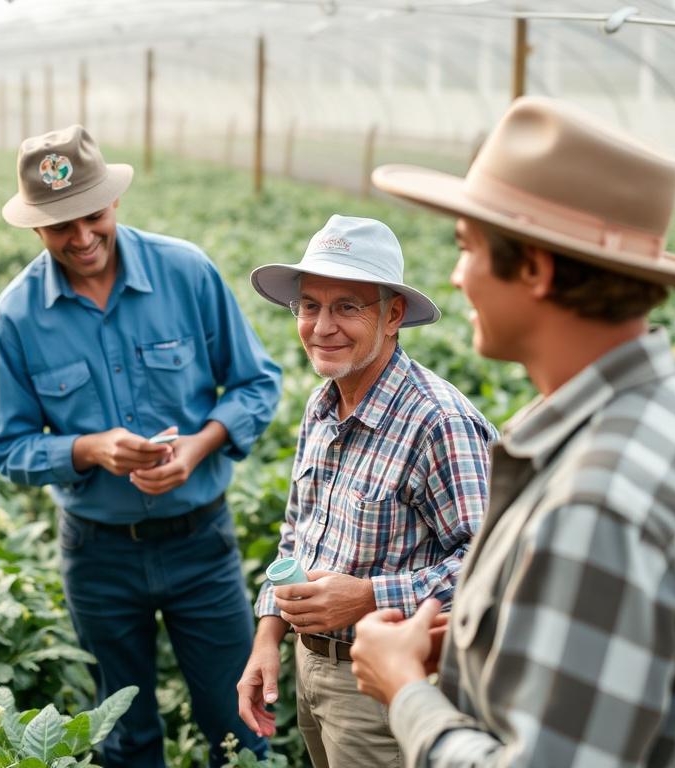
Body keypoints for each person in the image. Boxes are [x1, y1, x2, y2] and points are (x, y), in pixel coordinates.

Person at [352, 95, 675, 766]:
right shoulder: (670, 420)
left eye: (467, 249)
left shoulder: (594, 503)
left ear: (536, 270)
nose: (456, 279)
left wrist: (405, 692)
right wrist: (468, 648)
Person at [0, 124, 281, 767]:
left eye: (92, 215)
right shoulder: (15, 317)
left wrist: (198, 448)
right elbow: (6, 447)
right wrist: (90, 449)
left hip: (202, 543)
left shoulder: (186, 272)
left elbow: (258, 383)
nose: (82, 237)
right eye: (60, 226)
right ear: (35, 227)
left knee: (239, 717)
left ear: (113, 202)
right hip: (99, 558)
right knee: (125, 733)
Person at [237, 215, 495, 768]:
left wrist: (372, 596)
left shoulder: (438, 422)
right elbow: (296, 535)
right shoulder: (322, 404)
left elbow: (493, 566)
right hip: (311, 672)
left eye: (347, 307)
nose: (322, 326)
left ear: (393, 314)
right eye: (310, 306)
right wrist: (268, 637)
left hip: (385, 688)